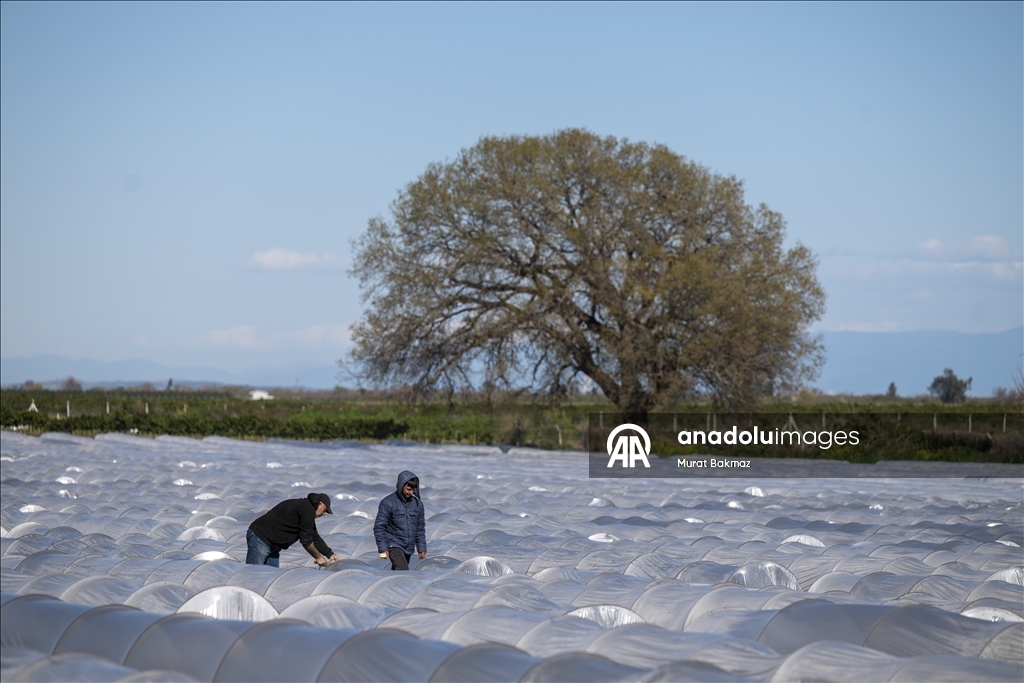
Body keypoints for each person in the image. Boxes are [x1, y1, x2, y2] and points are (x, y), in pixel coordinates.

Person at [246, 492, 340, 568]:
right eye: (325, 510)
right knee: (254, 575)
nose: (324, 514)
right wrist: (318, 557)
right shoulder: (307, 509)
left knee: (271, 577)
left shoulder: (306, 509)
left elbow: (314, 536)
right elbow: (306, 540)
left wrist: (330, 554)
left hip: (273, 545)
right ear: (320, 504)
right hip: (260, 538)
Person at [373, 470, 426, 570]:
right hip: (393, 544)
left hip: (409, 547)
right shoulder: (388, 502)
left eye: (413, 490)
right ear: (401, 486)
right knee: (402, 569)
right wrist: (383, 549)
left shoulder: (418, 505)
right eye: (408, 489)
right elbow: (379, 527)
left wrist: (421, 547)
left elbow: (420, 528)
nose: (411, 492)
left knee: (398, 573)